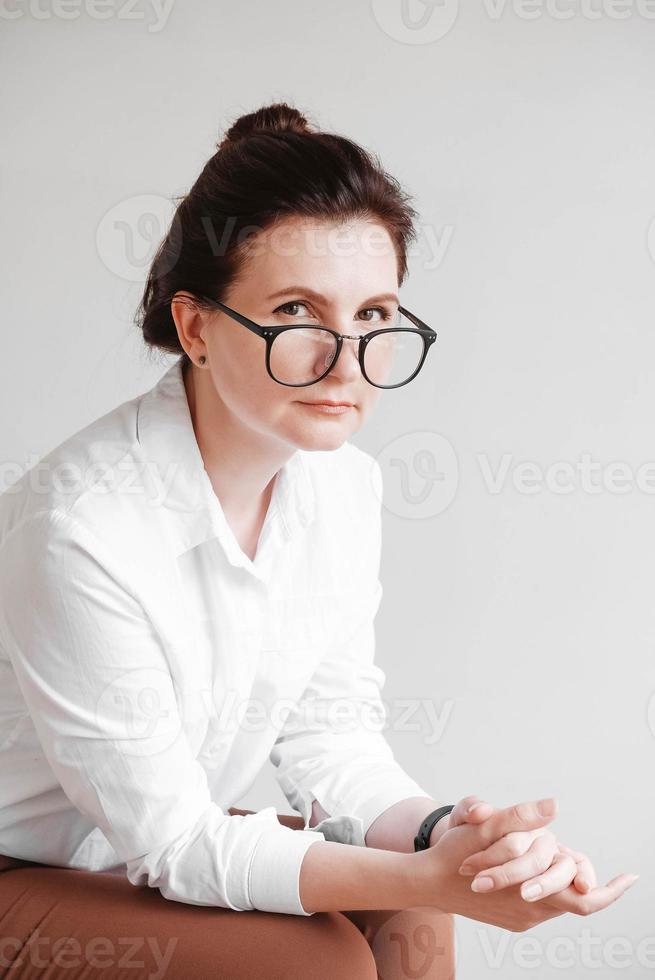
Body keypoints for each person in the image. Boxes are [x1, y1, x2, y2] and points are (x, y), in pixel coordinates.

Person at [0, 101, 637, 979]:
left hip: (138, 852)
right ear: (195, 328)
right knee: (316, 963)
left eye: (374, 315)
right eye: (298, 312)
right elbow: (175, 844)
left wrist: (451, 840)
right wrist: (436, 874)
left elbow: (328, 740)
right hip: (25, 869)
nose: (346, 364)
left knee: (412, 897)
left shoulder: (343, 486)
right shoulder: (84, 526)